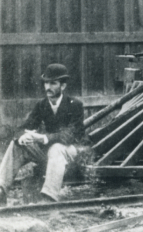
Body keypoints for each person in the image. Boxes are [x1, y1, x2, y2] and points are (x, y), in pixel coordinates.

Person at [0, 64, 87, 205]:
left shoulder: (75, 105)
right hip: (50, 154)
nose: (48, 87)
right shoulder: (42, 105)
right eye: (46, 83)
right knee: (16, 145)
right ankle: (1, 189)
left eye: (53, 83)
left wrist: (44, 138)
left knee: (56, 148)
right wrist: (22, 137)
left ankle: (49, 198)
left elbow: (69, 136)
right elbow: (22, 128)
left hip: (73, 151)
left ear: (63, 86)